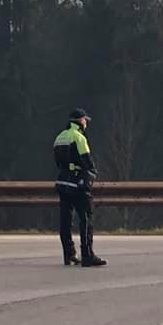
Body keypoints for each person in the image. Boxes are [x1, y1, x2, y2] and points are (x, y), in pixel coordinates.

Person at [53, 108, 106, 267]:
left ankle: (69, 254)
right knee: (86, 218)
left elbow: (58, 162)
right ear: (79, 121)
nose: (86, 123)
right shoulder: (79, 137)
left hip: (63, 181)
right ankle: (87, 255)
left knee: (65, 220)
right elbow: (87, 161)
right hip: (77, 183)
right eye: (85, 120)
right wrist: (92, 174)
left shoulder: (60, 137)